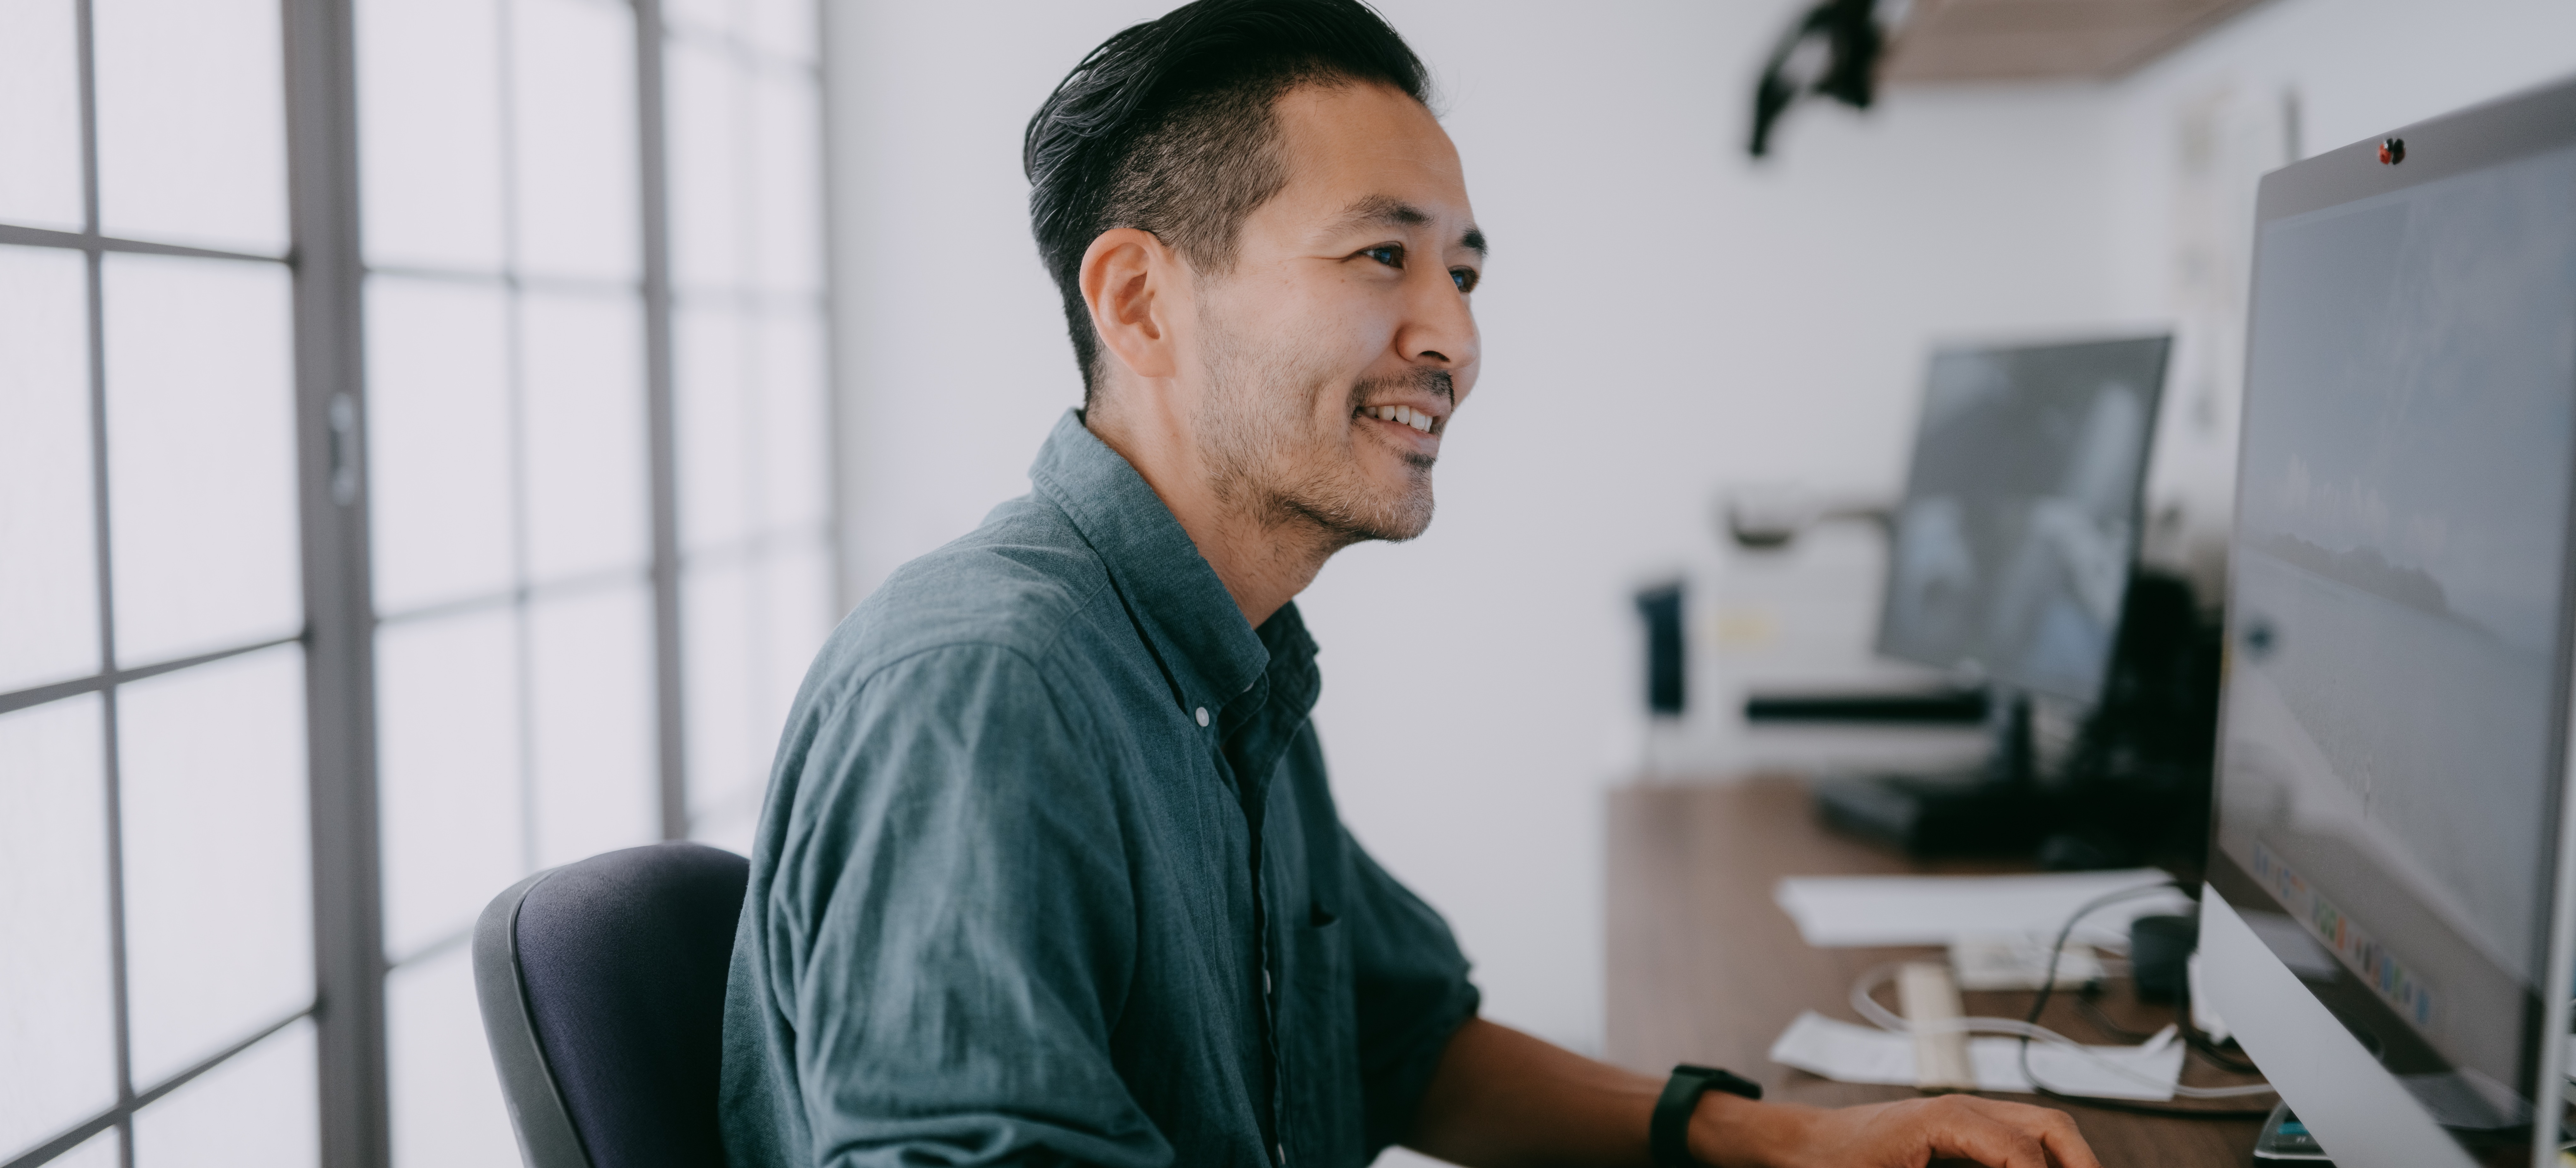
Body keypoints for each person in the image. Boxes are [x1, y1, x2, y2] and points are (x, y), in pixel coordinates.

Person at [719, 3, 2103, 1166]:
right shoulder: (985, 690)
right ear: (1139, 301)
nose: (1452, 333)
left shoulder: (1228, 661)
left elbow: (1400, 1043)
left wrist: (1797, 1141)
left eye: (1465, 271)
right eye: (1383, 253)